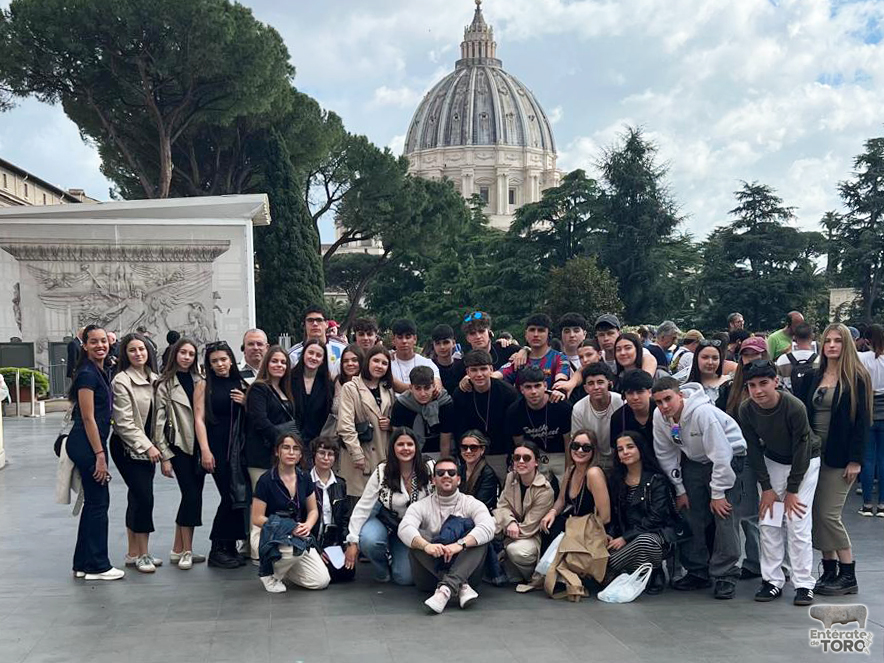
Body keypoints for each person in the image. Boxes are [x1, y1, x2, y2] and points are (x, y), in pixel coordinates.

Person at [652, 376, 747, 599]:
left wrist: (718, 493)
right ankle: (697, 570)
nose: (664, 406)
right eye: (658, 402)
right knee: (690, 512)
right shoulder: (660, 417)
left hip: (729, 457)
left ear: (680, 395)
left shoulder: (703, 413)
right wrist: (679, 488)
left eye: (668, 399)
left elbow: (722, 453)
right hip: (695, 460)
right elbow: (665, 452)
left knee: (724, 515)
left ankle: (726, 574)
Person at [793, 323, 871, 596]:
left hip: (840, 458)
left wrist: (856, 460)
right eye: (828, 341)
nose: (833, 345)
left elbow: (863, 422)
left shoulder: (857, 377)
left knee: (829, 514)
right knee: (816, 514)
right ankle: (829, 569)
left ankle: (848, 573)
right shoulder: (813, 376)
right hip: (812, 455)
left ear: (846, 344)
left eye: (838, 340)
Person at [738, 360, 821, 606]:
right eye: (752, 385)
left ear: (776, 381)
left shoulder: (794, 407)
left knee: (797, 522)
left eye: (764, 383)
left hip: (804, 463)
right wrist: (766, 488)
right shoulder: (746, 409)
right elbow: (752, 448)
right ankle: (772, 581)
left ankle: (804, 584)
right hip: (773, 461)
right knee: (769, 522)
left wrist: (793, 490)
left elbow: (802, 448)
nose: (758, 390)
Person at [398, 456, 496, 613]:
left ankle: (445, 590)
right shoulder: (420, 506)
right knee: (417, 537)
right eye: (440, 472)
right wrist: (427, 546)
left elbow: (489, 526)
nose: (446, 476)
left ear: (458, 479)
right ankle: (459, 585)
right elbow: (404, 528)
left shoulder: (471, 503)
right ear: (433, 480)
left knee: (479, 537)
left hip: (468, 572)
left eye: (451, 472)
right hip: (429, 577)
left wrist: (459, 545)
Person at [109, 332, 172, 574]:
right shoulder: (121, 381)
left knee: (137, 497)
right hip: (128, 447)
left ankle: (132, 552)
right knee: (144, 497)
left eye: (142, 349)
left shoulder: (156, 379)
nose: (138, 354)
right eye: (132, 350)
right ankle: (143, 554)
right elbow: (124, 423)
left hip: (150, 446)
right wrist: (148, 446)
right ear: (125, 354)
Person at [66, 325, 122, 580]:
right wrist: (100, 455)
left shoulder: (99, 370)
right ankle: (97, 565)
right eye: (94, 342)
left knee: (94, 503)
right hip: (88, 443)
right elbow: (88, 417)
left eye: (103, 341)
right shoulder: (87, 374)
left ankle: (82, 563)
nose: (100, 345)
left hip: (92, 442)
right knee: (99, 502)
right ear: (84, 345)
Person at [345, 428, 435, 584]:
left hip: (412, 529)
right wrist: (352, 541)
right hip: (385, 521)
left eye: (409, 444)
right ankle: (381, 567)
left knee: (405, 579)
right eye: (400, 444)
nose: (405, 448)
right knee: (370, 541)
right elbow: (363, 506)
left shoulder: (429, 468)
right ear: (393, 447)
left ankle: (395, 554)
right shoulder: (382, 470)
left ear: (416, 447)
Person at [193, 341, 249, 569]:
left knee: (238, 497)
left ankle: (228, 545)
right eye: (214, 361)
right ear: (209, 364)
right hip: (215, 447)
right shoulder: (204, 385)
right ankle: (217, 547)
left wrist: (246, 402)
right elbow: (198, 419)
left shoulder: (241, 383)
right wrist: (205, 450)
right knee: (228, 496)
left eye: (223, 359)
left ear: (231, 360)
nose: (220, 364)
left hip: (238, 448)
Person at [251, 433, 330, 593]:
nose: (291, 452)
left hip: (297, 534)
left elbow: (313, 510)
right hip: (268, 532)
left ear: (301, 454)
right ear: (277, 452)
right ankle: (269, 574)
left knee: (321, 581)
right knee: (294, 549)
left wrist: (307, 525)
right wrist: (287, 527)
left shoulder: (305, 478)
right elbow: (257, 518)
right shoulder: (266, 480)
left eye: (295, 449)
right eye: (286, 448)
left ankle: (283, 569)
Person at [606, 430, 679, 595]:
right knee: (603, 552)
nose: (625, 452)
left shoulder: (656, 479)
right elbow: (614, 514)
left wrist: (626, 538)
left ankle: (655, 571)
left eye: (630, 447)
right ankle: (629, 569)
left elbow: (656, 518)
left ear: (640, 449)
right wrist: (611, 534)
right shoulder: (616, 479)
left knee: (645, 542)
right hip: (625, 538)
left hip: (655, 535)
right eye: (620, 449)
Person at [154, 337, 205, 570]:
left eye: (191, 354)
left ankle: (178, 548)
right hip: (179, 447)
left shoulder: (200, 380)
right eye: (183, 352)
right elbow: (158, 422)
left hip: (200, 447)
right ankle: (186, 550)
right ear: (175, 354)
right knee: (191, 496)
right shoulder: (164, 384)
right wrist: (164, 455)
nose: (186, 357)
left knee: (193, 497)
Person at [244, 346, 296, 560]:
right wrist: (284, 443)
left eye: (283, 362)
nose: (279, 366)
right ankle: (257, 550)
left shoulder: (285, 390)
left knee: (274, 502)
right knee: (260, 502)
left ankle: (271, 545)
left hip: (279, 456)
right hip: (261, 455)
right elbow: (260, 421)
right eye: (275, 361)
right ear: (267, 363)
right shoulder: (259, 388)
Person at [337, 344, 395, 499]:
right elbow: (345, 425)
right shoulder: (350, 388)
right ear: (367, 362)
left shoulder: (387, 390)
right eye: (376, 361)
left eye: (384, 363)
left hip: (383, 453)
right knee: (358, 504)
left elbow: (395, 418)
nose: (379, 366)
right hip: (359, 457)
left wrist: (390, 424)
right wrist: (357, 454)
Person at [451, 349, 519, 481]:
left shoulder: (508, 393)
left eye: (483, 369)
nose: (479, 374)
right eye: (474, 370)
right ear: (467, 372)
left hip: (501, 452)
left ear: (491, 369)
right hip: (472, 452)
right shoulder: (461, 394)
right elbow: (459, 429)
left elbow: (514, 428)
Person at [494, 441, 555, 582]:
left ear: (536, 462)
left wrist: (503, 543)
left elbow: (529, 527)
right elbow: (502, 506)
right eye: (517, 458)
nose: (521, 461)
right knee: (485, 526)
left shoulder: (545, 490)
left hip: (531, 537)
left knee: (516, 551)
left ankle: (530, 577)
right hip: (509, 528)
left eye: (526, 458)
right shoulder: (510, 478)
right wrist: (509, 522)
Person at [539, 430, 610, 546]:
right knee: (547, 527)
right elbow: (561, 500)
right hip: (572, 523)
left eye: (586, 448)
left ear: (593, 451)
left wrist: (578, 532)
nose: (579, 451)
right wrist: (552, 512)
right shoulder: (571, 470)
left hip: (589, 530)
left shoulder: (594, 473)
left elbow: (605, 517)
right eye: (575, 446)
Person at [507, 366, 572, 482]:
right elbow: (520, 445)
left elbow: (568, 442)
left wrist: (569, 472)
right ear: (521, 389)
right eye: (528, 387)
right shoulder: (515, 411)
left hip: (561, 454)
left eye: (537, 386)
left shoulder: (562, 406)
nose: (533, 392)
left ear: (545, 386)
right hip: (535, 457)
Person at [309, 437, 355, 583]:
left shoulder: (340, 483)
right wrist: (315, 548)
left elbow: (345, 518)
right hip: (313, 540)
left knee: (346, 573)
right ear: (314, 455)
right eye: (322, 453)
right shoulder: (304, 481)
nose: (326, 458)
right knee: (323, 575)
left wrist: (347, 545)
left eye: (330, 454)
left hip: (333, 541)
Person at [496, 313, 572, 393]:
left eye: (541, 330)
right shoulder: (519, 359)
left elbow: (561, 381)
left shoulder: (559, 358)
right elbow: (498, 375)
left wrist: (559, 390)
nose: (536, 334)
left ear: (549, 334)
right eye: (532, 330)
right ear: (526, 334)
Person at [391, 365, 454, 457]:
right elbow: (397, 439)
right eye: (418, 388)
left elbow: (445, 442)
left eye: (427, 388)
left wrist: (442, 466)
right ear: (410, 388)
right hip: (409, 453)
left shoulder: (444, 403)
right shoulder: (401, 405)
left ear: (433, 386)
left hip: (438, 451)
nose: (423, 393)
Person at [571, 362, 623, 474]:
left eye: (600, 382)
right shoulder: (579, 409)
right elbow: (577, 441)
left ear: (609, 383)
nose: (596, 387)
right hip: (592, 459)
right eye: (590, 383)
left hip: (620, 457)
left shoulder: (621, 402)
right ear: (585, 388)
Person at [858, 324, 884, 516]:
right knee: (883, 459)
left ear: (867, 340)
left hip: (867, 408)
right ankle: (882, 504)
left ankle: (867, 503)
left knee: (867, 459)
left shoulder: (862, 359)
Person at [290, 339, 333, 444]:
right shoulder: (289, 379)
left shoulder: (328, 385)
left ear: (323, 360)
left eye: (318, 355)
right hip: (290, 441)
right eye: (310, 353)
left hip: (316, 443)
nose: (313, 357)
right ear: (303, 354)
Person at [288, 304, 346, 377]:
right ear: (304, 325)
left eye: (319, 320)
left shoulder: (342, 349)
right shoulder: (293, 355)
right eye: (310, 320)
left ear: (327, 324)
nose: (315, 324)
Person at [610, 369, 656, 447]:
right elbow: (616, 447)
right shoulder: (618, 417)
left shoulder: (661, 409)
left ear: (650, 392)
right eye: (630, 393)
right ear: (624, 396)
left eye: (640, 392)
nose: (635, 397)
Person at [456, 430, 500, 512]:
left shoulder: (488, 474)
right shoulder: (458, 470)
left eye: (473, 447)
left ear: (482, 450)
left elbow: (481, 505)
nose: (468, 451)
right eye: (464, 447)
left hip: (481, 516)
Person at [389, 318, 441, 387]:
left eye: (408, 337)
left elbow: (437, 384)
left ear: (415, 339)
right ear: (393, 340)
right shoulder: (386, 363)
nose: (404, 341)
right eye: (400, 337)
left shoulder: (426, 363)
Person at [686, 339, 732, 404]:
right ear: (696, 359)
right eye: (705, 357)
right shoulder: (688, 388)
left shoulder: (729, 383)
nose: (710, 362)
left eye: (715, 358)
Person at [775, 322, 818, 392]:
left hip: (790, 400)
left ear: (794, 337)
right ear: (812, 336)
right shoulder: (819, 359)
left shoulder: (782, 360)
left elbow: (778, 384)